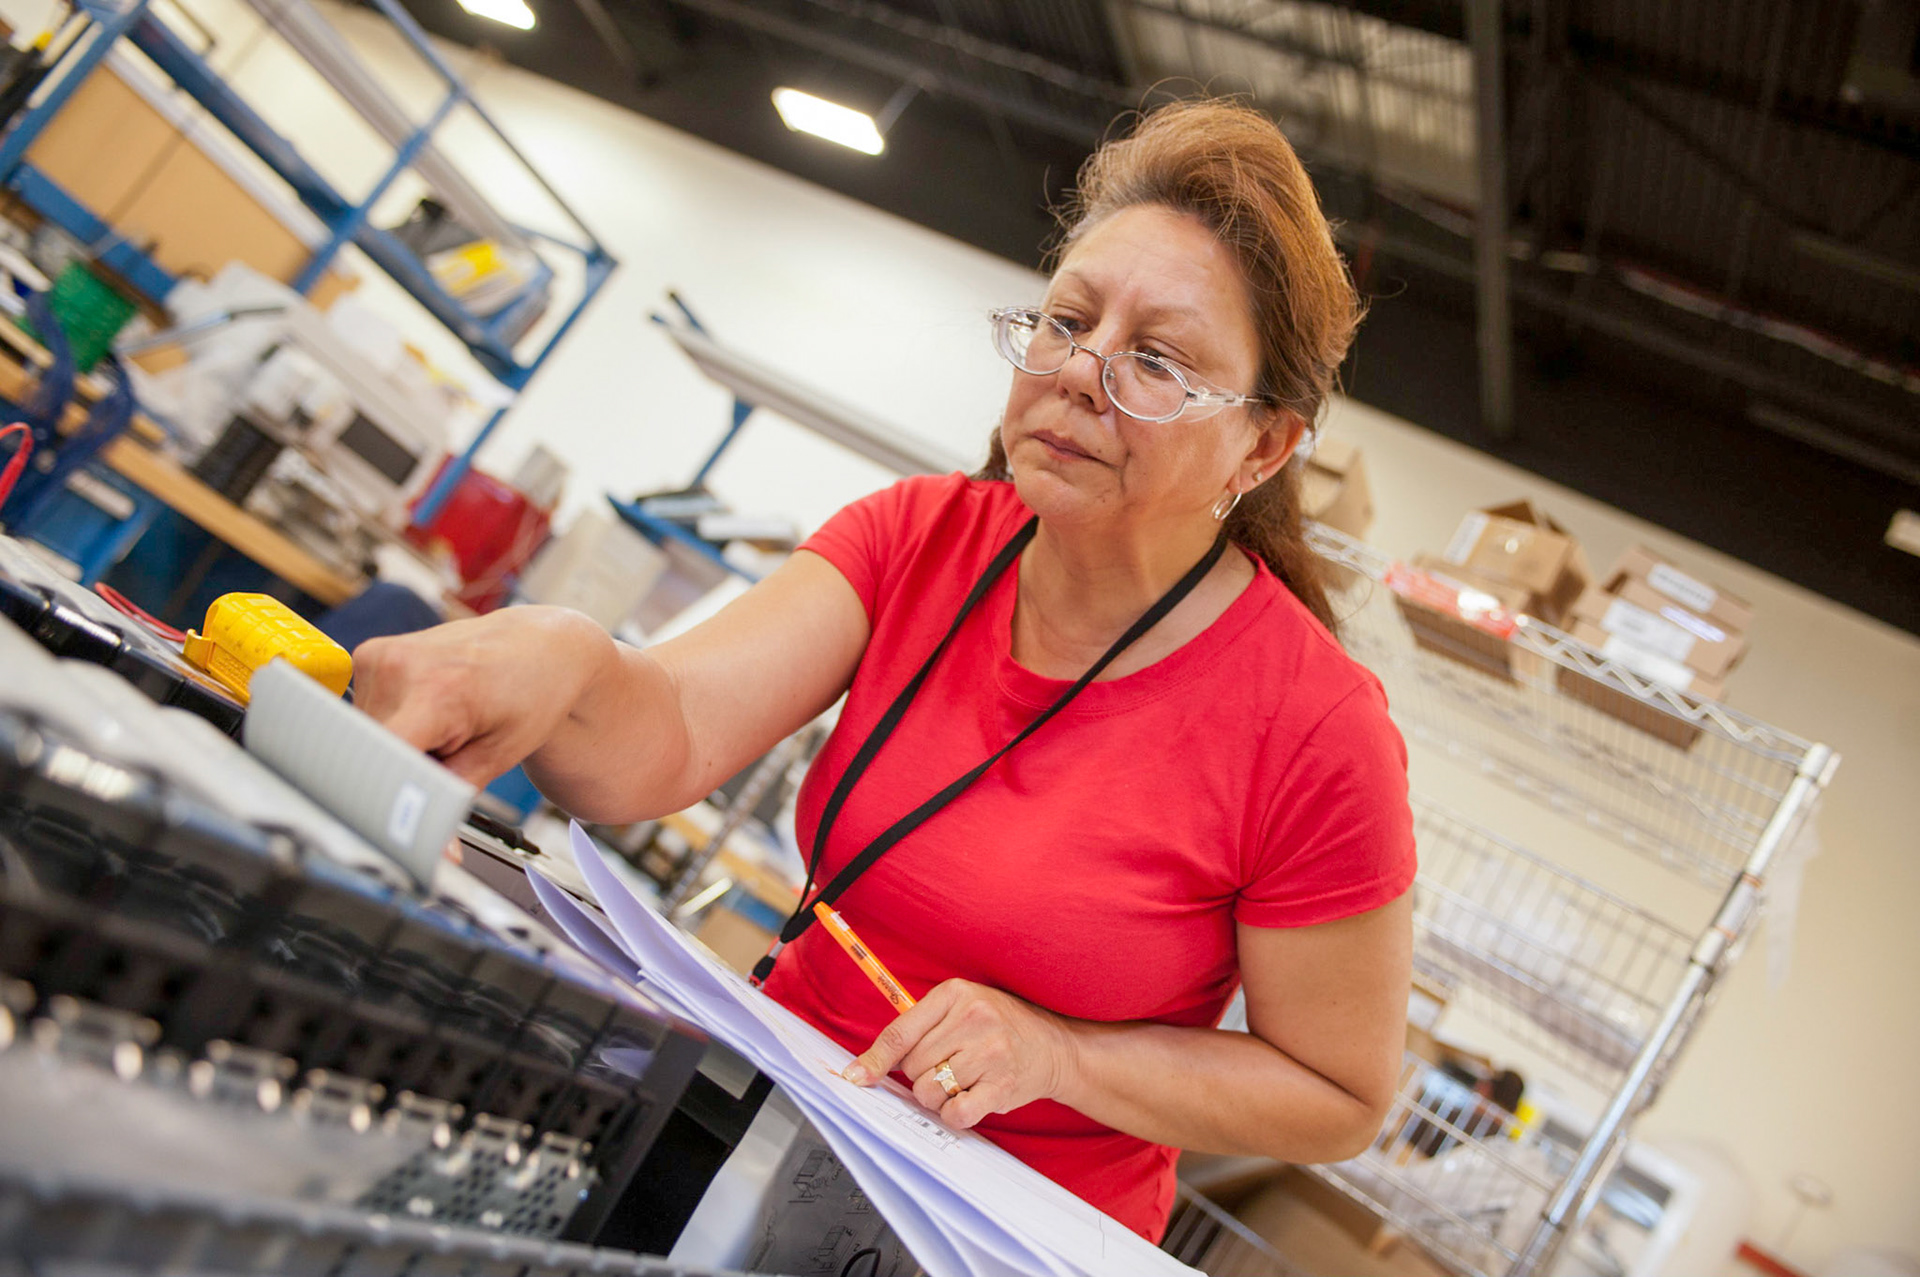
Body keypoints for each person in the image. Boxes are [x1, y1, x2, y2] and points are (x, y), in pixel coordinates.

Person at [353, 98, 1415, 1243]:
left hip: (991, 1234)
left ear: (1262, 445)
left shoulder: (1314, 729)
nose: (1078, 371)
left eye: (1156, 360)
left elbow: (1337, 1092)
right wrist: (563, 658)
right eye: (1068, 321)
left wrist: (1059, 1055)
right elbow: (672, 729)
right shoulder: (919, 534)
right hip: (776, 1114)